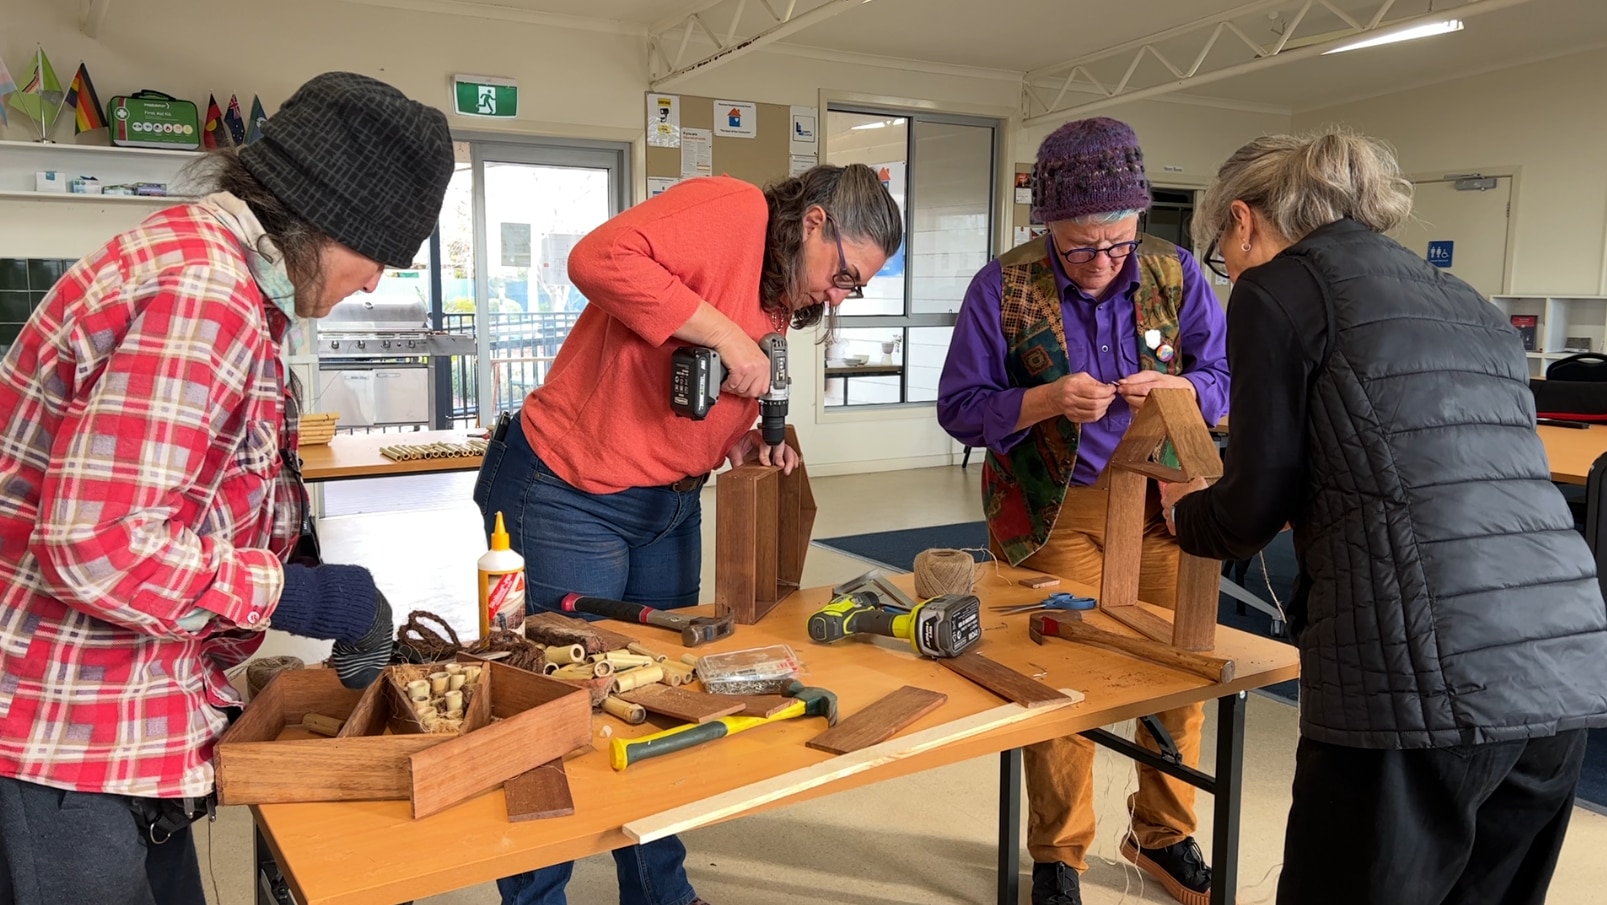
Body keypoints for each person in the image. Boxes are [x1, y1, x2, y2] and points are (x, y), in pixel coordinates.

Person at [0, 72, 455, 904]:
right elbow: (99, 548)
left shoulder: (208, 268)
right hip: (65, 741)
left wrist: (293, 560)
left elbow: (193, 491)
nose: (374, 282)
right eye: (380, 256)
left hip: (126, 722)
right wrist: (304, 596)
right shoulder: (204, 293)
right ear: (327, 216)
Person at [1161, 128, 1607, 905]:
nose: (1228, 269)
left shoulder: (1277, 287)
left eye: (1220, 255)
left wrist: (1187, 513)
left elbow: (1252, 504)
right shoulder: (1468, 301)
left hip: (1415, 676)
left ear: (1240, 219)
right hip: (1559, 663)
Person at [473, 163, 901, 905]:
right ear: (815, 223)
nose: (839, 297)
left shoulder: (777, 297)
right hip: (569, 491)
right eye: (845, 277)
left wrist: (739, 439)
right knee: (556, 703)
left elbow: (692, 391)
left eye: (853, 289)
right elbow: (596, 258)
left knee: (664, 694)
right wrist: (726, 335)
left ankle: (659, 893)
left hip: (668, 505)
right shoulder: (734, 209)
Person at [937, 117, 1229, 905]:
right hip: (1052, 507)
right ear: (1048, 227)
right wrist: (1043, 399)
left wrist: (1179, 388)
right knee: (1060, 679)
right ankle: (1059, 853)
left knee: (1180, 666)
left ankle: (1162, 832)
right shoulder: (1001, 286)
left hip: (1165, 504)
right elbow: (959, 408)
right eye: (1080, 248)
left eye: (1117, 242)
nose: (1102, 261)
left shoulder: (1173, 271)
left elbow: (1225, 377)